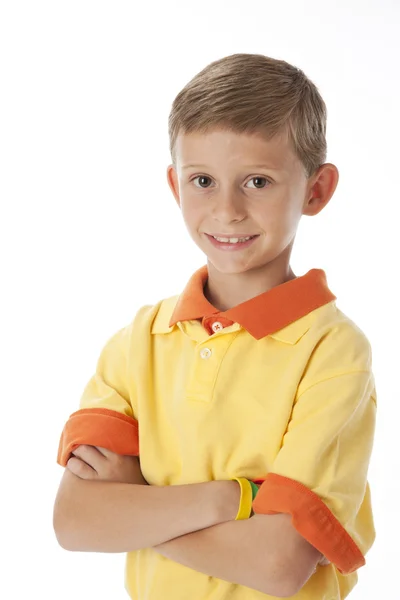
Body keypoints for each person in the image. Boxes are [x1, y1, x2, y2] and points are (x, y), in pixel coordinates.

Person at [53, 53, 377, 599]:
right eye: (203, 180)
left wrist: (138, 505)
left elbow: (278, 563)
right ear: (176, 185)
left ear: (316, 190)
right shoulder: (138, 342)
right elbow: (76, 522)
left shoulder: (333, 352)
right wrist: (234, 499)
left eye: (257, 181)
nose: (226, 210)